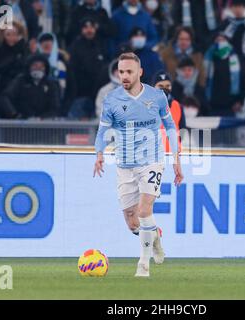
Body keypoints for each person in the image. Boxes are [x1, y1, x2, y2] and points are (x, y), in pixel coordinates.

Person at [93, 52, 183, 277]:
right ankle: (155, 237)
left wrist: (176, 159)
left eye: (129, 72)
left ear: (140, 72)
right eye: (121, 71)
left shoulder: (157, 97)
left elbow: (171, 128)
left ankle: (143, 264)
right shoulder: (112, 99)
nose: (124, 76)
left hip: (151, 161)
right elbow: (103, 130)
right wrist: (99, 153)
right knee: (133, 222)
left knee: (144, 210)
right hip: (125, 164)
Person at [0, 54, 60, 119]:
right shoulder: (20, 81)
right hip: (21, 123)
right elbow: (4, 97)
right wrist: (14, 114)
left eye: (41, 66)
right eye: (35, 65)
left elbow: (55, 108)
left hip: (44, 124)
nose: (38, 69)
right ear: (29, 67)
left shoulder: (51, 84)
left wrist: (42, 118)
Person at [68, 17, 107, 119]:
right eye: (86, 27)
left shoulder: (101, 44)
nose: (89, 30)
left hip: (97, 94)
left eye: (91, 27)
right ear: (81, 29)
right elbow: (72, 71)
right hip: (80, 95)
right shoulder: (75, 46)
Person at [153, 70, 185, 153]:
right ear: (153, 87)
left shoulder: (178, 106)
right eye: (160, 85)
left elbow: (182, 130)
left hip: (174, 156)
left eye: (168, 85)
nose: (164, 88)